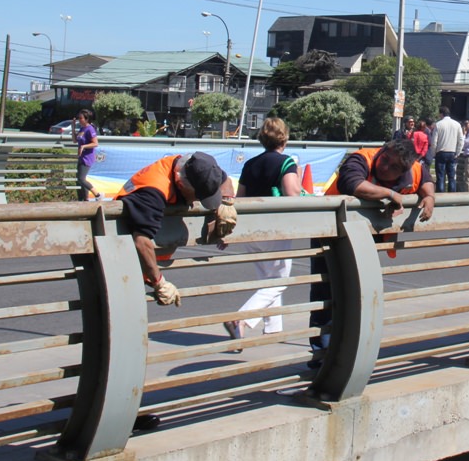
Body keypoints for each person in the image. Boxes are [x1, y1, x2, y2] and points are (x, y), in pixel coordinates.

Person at [310, 139, 435, 363]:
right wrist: (390, 194)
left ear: (404, 170)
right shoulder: (362, 158)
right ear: (382, 150)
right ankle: (321, 359)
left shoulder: (414, 169)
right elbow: (351, 183)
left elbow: (425, 178)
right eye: (385, 158)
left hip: (365, 240)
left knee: (358, 296)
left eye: (394, 167)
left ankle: (350, 356)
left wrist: (429, 196)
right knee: (326, 296)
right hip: (330, 234)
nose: (385, 166)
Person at [114, 151, 236, 306]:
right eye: (197, 196)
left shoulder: (199, 168)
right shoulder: (153, 192)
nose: (197, 200)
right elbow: (142, 242)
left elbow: (224, 179)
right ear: (180, 183)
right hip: (124, 256)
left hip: (154, 258)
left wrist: (227, 202)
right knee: (124, 307)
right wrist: (159, 282)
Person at [224, 118, 300, 343]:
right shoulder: (286, 162)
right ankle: (242, 319)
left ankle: (273, 329)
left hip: (252, 228)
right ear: (284, 139)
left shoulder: (250, 164)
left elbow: (240, 199)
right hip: (275, 228)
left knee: (266, 279)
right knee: (279, 280)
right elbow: (292, 194)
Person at [431, 107, 464, 192]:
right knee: (452, 177)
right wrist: (458, 152)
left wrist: (434, 153)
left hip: (441, 152)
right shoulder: (457, 124)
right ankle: (451, 197)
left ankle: (441, 196)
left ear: (441, 114)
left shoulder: (438, 124)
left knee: (440, 176)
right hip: (452, 152)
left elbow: (434, 141)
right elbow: (461, 140)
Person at [72, 108, 102, 201]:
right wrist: (73, 127)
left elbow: (95, 143)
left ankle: (97, 195)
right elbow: (74, 140)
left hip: (87, 157)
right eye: (79, 118)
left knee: (81, 179)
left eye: (81, 118)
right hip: (81, 157)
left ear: (86, 119)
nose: (79, 120)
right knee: (79, 180)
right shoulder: (82, 128)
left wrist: (83, 146)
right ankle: (84, 199)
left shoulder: (90, 129)